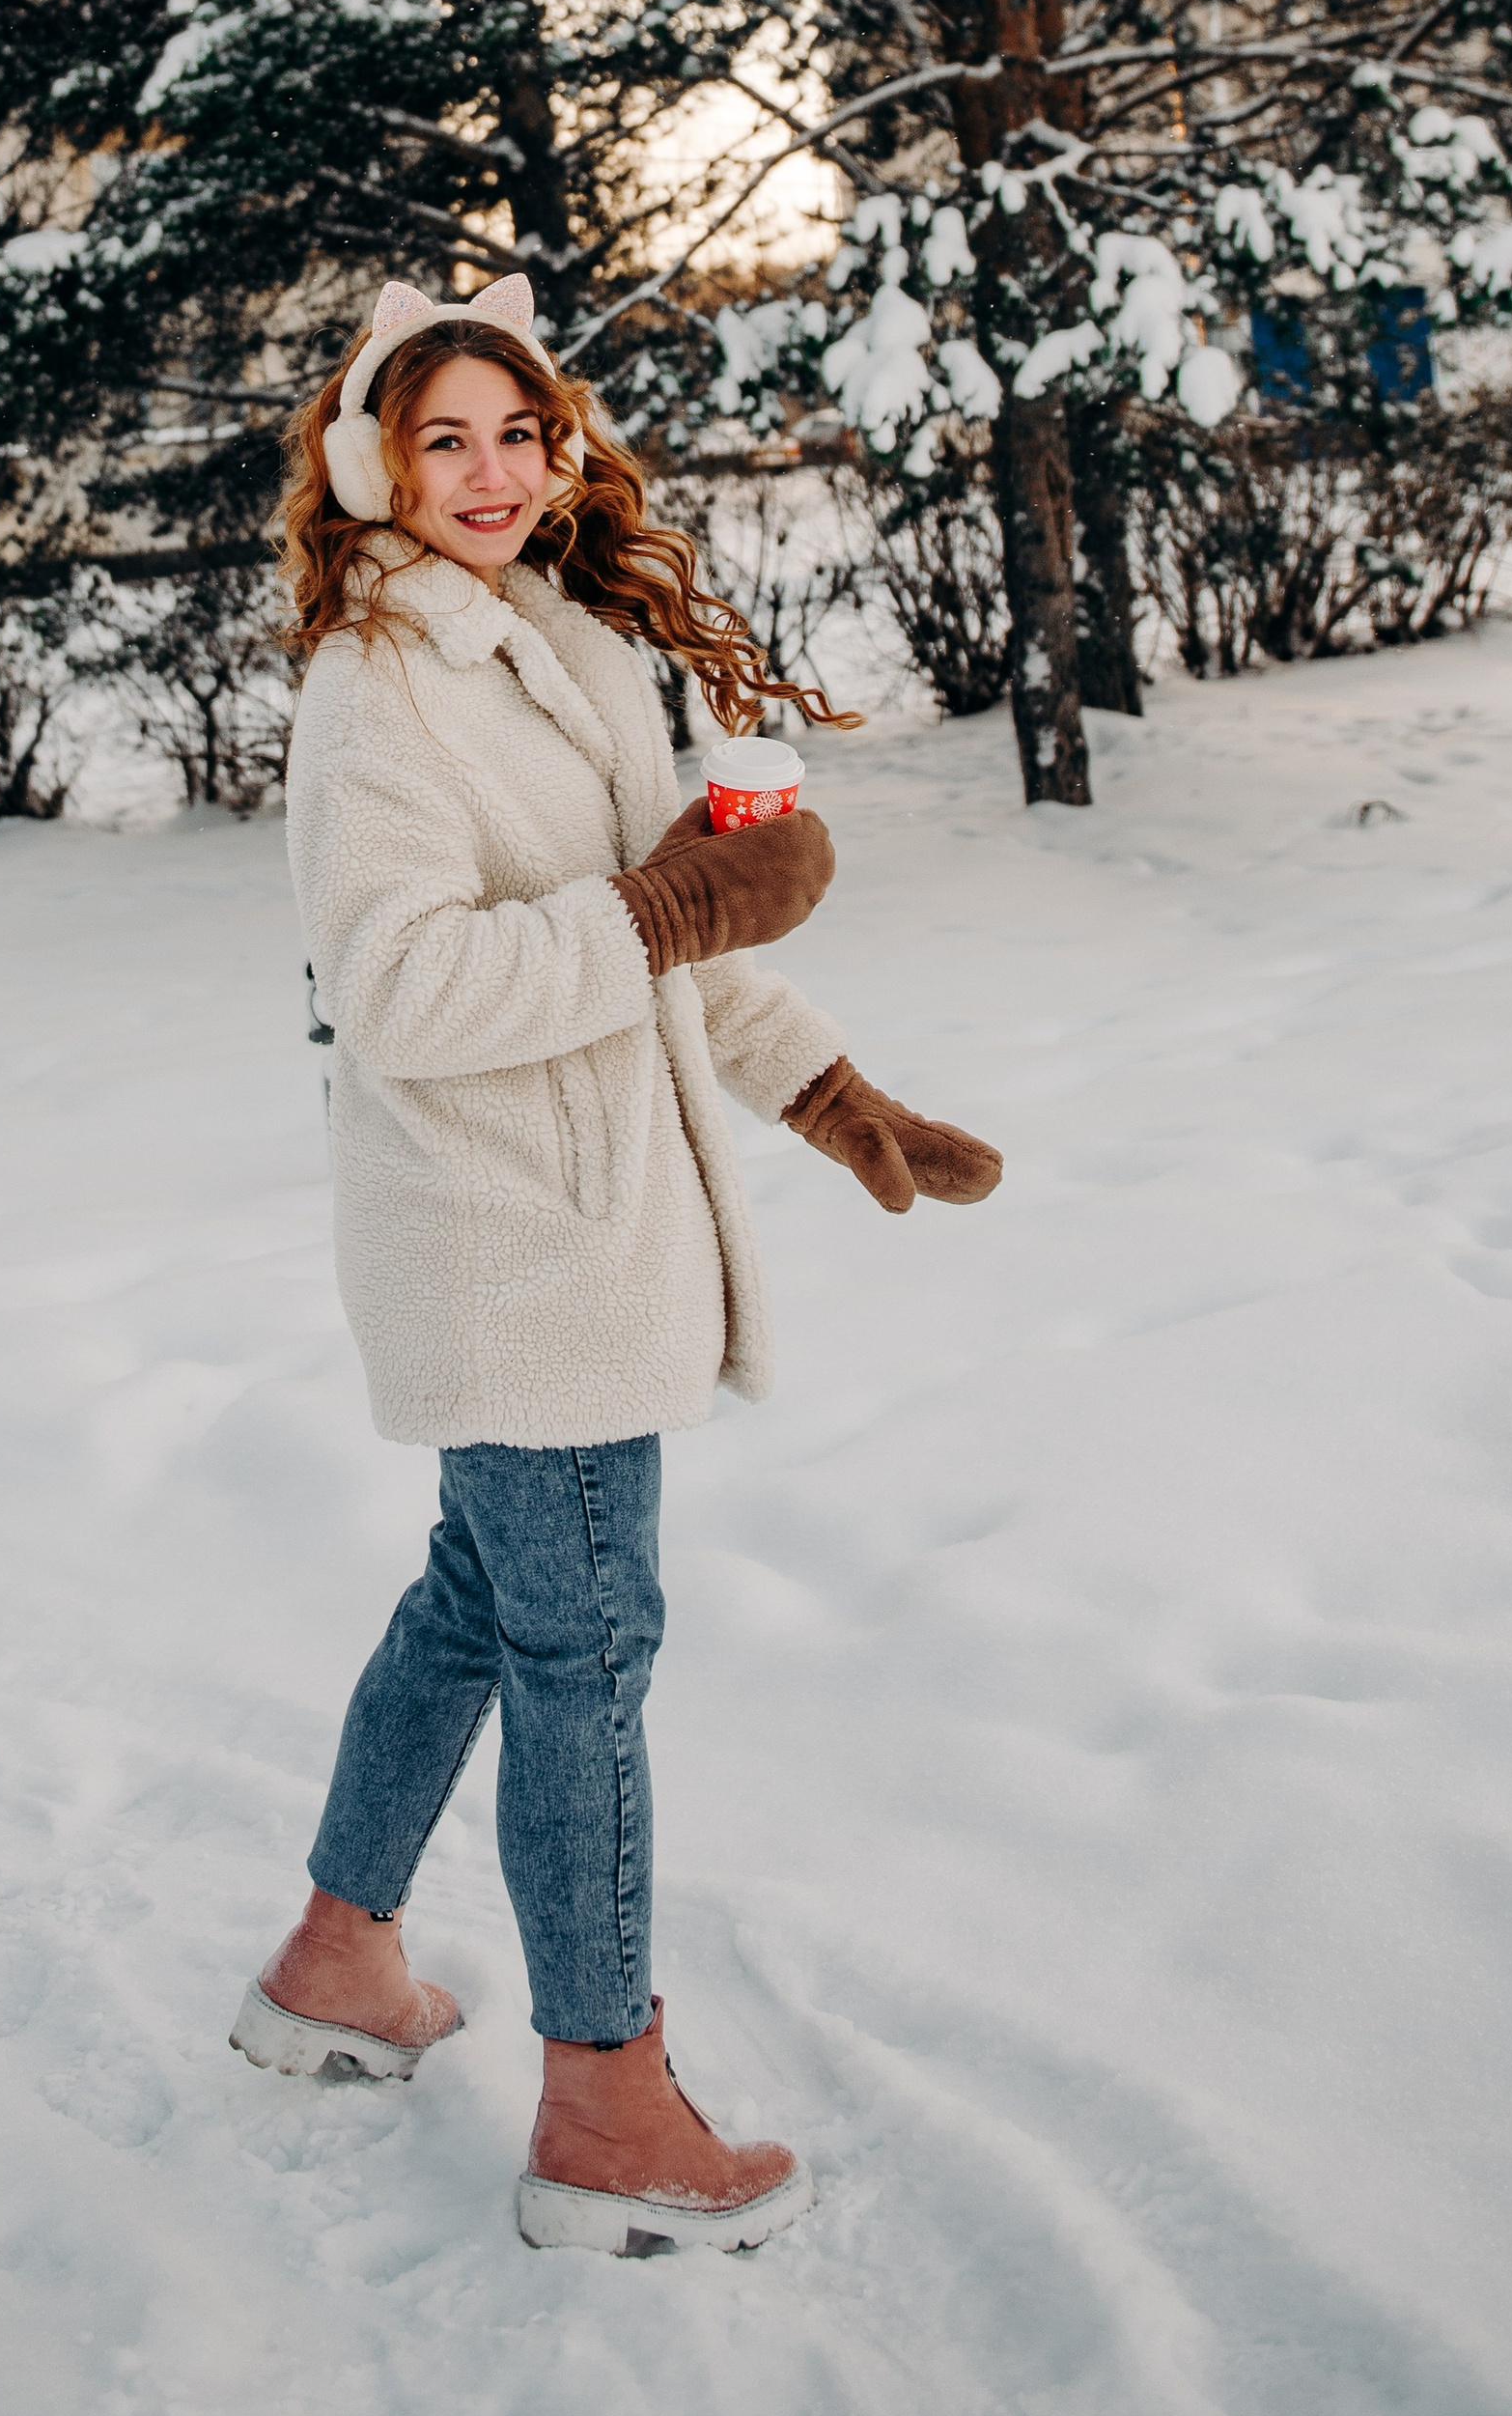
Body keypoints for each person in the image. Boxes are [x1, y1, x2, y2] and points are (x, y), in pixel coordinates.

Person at [232, 272, 1001, 2258]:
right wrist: (657, 897)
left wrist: (839, 1100)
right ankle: (602, 2107)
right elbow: (402, 985)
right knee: (582, 1654)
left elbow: (680, 958)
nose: (491, 471)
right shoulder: (377, 684)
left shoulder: (560, 651)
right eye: (442, 438)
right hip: (516, 1246)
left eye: (518, 429)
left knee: (479, 1607)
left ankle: (337, 1960)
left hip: (571, 1225)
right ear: (370, 467)